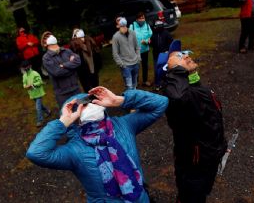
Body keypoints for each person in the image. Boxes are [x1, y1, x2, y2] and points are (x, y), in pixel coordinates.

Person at [26, 86, 168, 202]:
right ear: (76, 119)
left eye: (90, 101)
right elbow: (36, 152)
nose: (88, 105)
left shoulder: (123, 125)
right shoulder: (74, 150)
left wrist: (119, 100)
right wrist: (64, 122)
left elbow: (161, 103)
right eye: (81, 106)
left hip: (141, 198)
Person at [162, 49, 227, 203]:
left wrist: (221, 146)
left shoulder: (199, 87)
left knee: (202, 193)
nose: (186, 55)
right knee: (191, 197)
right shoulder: (175, 94)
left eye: (185, 52)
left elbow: (212, 120)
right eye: (179, 56)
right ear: (171, 69)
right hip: (193, 164)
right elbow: (178, 97)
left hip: (210, 157)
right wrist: (176, 70)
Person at [42, 34, 81, 108]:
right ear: (44, 43)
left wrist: (64, 65)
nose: (50, 37)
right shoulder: (46, 58)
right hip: (63, 94)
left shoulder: (67, 51)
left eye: (50, 35)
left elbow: (78, 61)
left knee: (82, 110)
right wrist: (72, 67)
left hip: (76, 88)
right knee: (69, 115)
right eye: (46, 37)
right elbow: (57, 72)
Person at [112, 17, 141, 90]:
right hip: (126, 66)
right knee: (129, 86)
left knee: (134, 84)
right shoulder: (116, 37)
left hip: (135, 63)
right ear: (118, 26)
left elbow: (137, 47)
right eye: (121, 26)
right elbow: (115, 53)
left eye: (124, 26)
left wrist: (138, 58)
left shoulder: (132, 33)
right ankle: (130, 100)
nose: (123, 28)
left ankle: (134, 98)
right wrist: (121, 64)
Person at [21, 60, 51, 127]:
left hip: (38, 93)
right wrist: (25, 86)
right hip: (32, 94)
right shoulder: (24, 75)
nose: (25, 68)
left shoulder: (35, 73)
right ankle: (48, 111)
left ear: (30, 66)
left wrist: (33, 85)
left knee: (38, 107)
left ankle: (40, 120)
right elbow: (24, 84)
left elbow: (40, 82)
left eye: (26, 67)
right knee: (40, 105)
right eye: (24, 67)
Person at [129, 12, 153, 87]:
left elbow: (150, 35)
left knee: (145, 66)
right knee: (136, 66)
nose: (142, 19)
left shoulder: (147, 26)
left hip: (145, 50)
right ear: (137, 19)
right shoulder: (132, 26)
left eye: (143, 18)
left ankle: (145, 81)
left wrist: (147, 40)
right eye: (140, 18)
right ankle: (135, 82)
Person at [150, 20, 173, 90]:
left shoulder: (166, 33)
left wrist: (168, 51)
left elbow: (171, 42)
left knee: (165, 69)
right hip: (156, 55)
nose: (158, 28)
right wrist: (149, 42)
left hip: (164, 55)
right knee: (157, 70)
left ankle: (166, 83)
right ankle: (157, 84)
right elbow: (152, 44)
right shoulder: (153, 35)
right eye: (156, 27)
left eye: (159, 26)